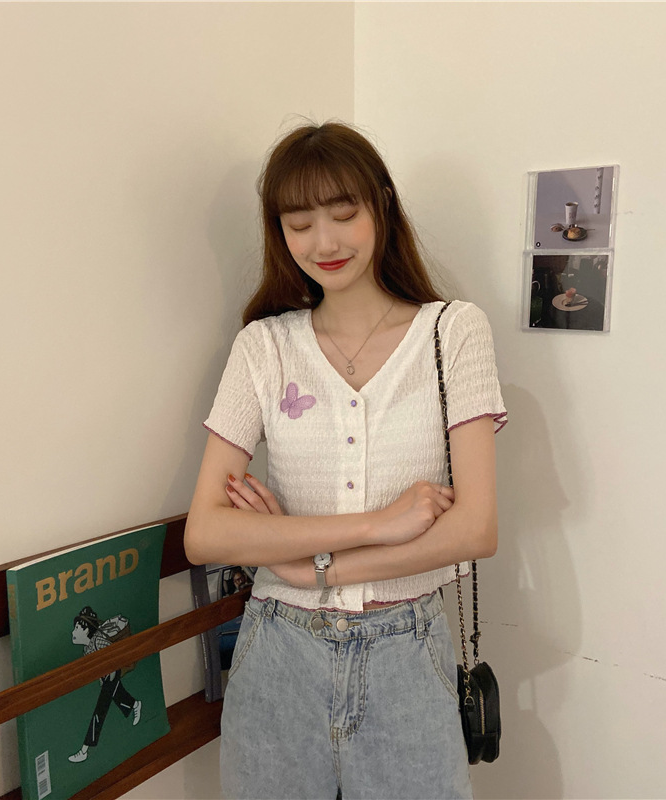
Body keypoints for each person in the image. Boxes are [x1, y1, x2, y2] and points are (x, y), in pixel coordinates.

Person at [185, 121, 507, 799]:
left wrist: (306, 566)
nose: (324, 243)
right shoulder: (263, 347)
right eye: (299, 224)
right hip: (277, 653)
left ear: (381, 205)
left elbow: (475, 529)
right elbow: (206, 533)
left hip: (406, 650)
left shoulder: (453, 332)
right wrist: (374, 525)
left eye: (342, 213)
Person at [68, 607, 141, 763]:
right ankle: (135, 705)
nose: (73, 632)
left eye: (77, 628)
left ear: (86, 629)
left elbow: (113, 655)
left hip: (112, 674)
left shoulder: (98, 640)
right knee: (119, 697)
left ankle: (85, 749)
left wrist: (110, 677)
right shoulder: (87, 649)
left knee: (100, 711)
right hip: (106, 677)